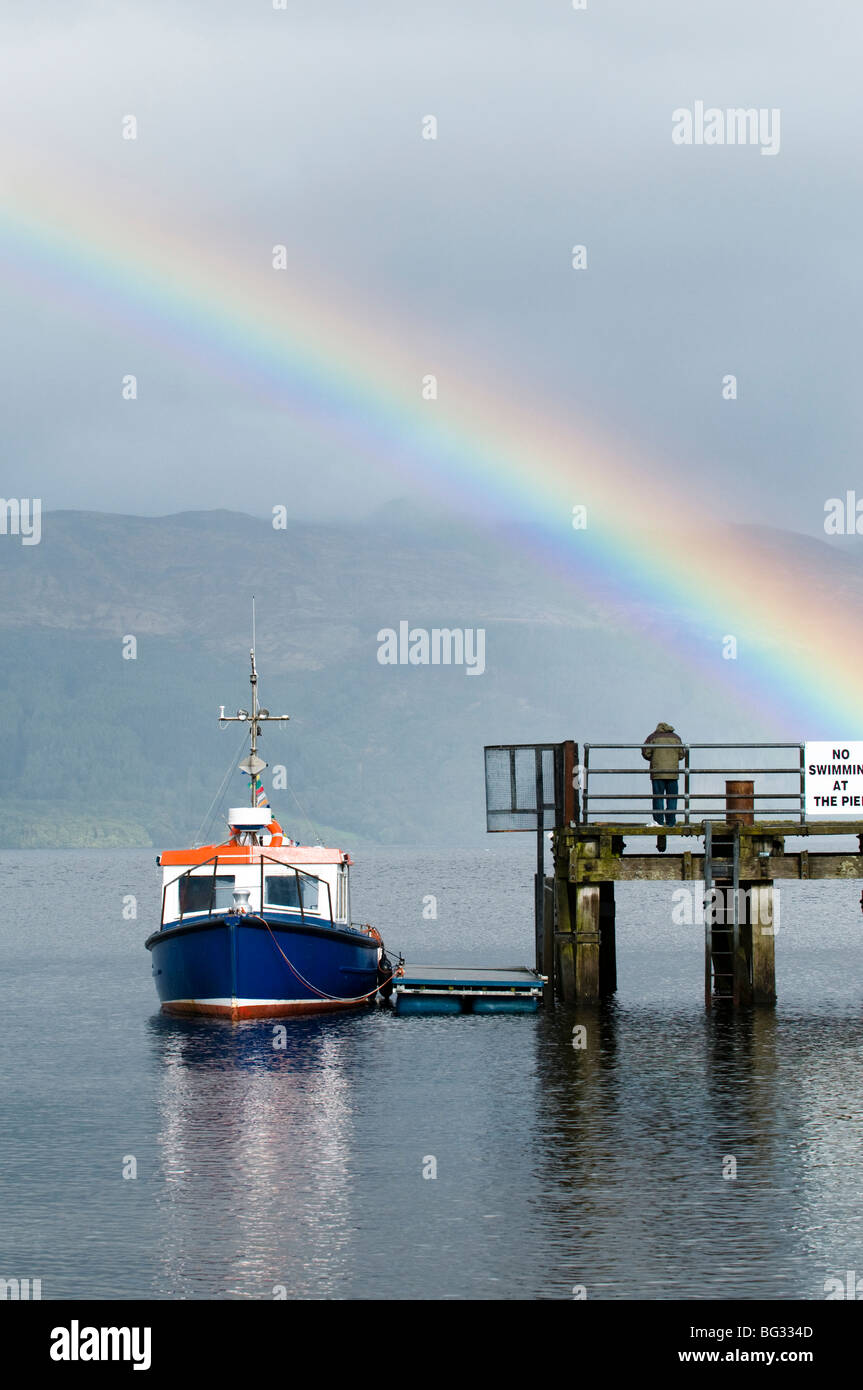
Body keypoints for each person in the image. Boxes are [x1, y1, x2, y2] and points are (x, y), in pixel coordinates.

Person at [641, 722, 685, 844]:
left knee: (658, 797)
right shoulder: (676, 738)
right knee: (672, 798)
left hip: (657, 772)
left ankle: (659, 822)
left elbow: (645, 752)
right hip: (672, 773)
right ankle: (670, 822)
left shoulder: (653, 737)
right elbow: (682, 754)